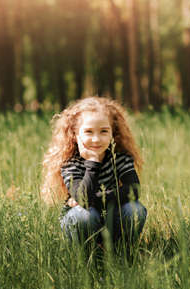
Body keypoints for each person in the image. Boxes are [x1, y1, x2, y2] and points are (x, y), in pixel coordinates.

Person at [41, 97, 147, 248]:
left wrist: (93, 199)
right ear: (76, 136)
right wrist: (93, 162)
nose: (96, 139)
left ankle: (120, 251)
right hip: (82, 221)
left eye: (104, 131)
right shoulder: (71, 164)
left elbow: (133, 190)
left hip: (110, 218)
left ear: (113, 134)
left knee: (135, 209)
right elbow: (83, 201)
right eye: (88, 132)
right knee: (85, 215)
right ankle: (87, 255)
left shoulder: (120, 158)